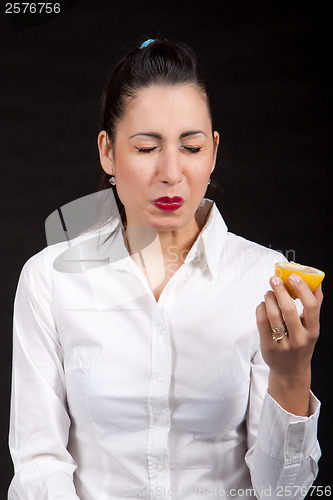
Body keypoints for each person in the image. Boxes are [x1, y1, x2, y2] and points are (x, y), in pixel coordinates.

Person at [8, 37, 323, 500]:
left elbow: (283, 492)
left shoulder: (265, 278)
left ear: (212, 152)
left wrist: (292, 373)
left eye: (191, 147)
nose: (171, 172)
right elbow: (39, 466)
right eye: (146, 147)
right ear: (108, 152)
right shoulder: (50, 279)